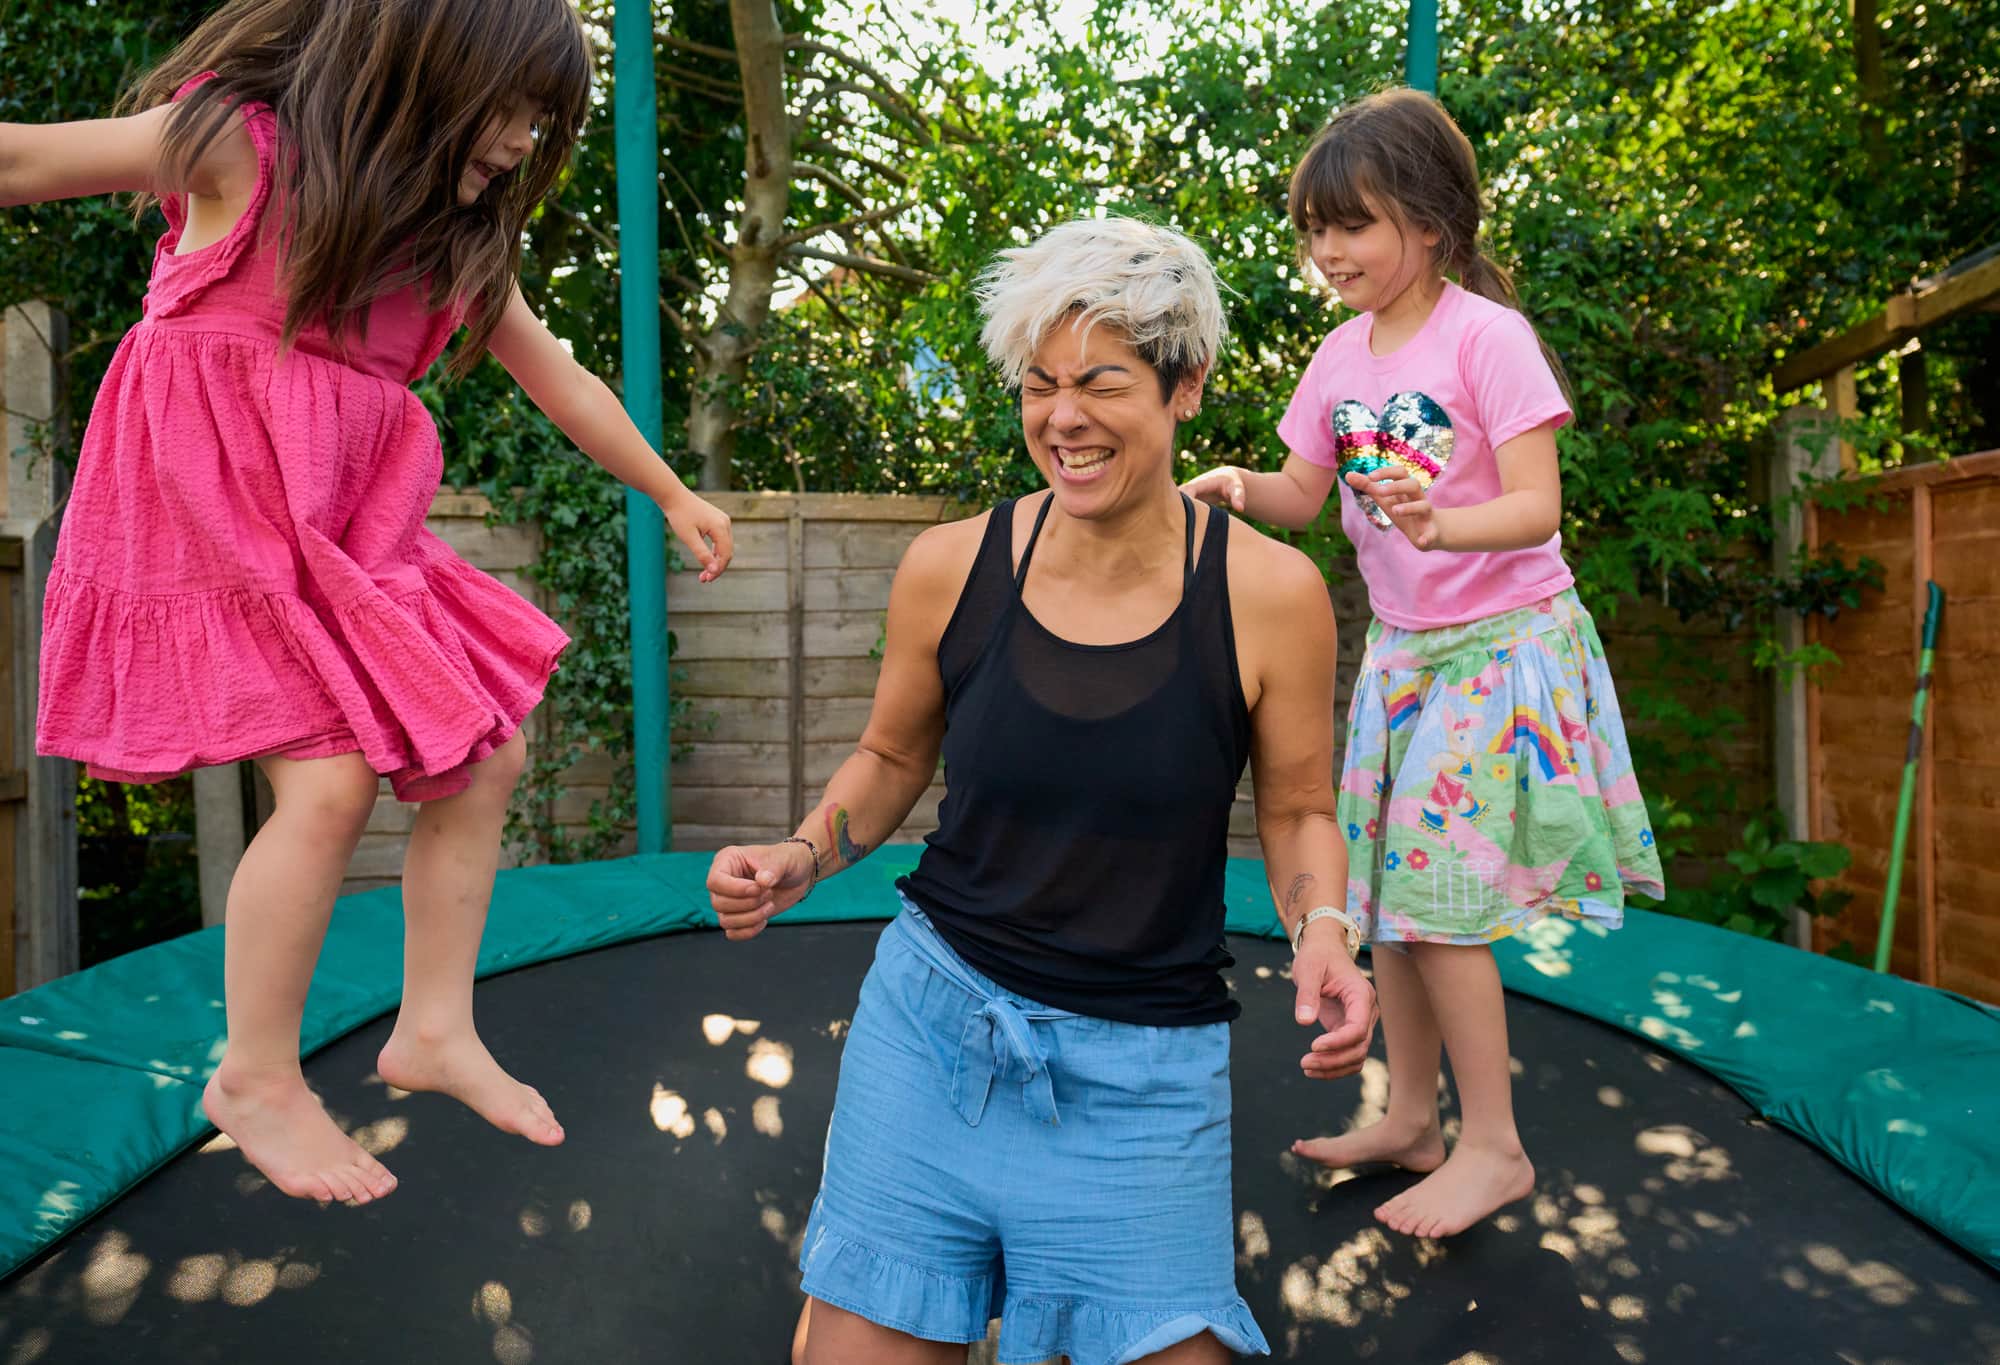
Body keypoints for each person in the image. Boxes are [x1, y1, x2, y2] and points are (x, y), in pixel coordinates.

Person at [1, 0, 733, 1207]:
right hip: (208, 519)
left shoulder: (449, 248)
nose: (519, 143)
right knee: (331, 782)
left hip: (343, 537)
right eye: (513, 109)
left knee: (485, 754)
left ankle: (433, 1030)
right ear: (429, 69)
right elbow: (31, 157)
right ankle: (255, 1076)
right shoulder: (242, 143)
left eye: (544, 124)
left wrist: (667, 492)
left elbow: (561, 378)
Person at [707, 217, 1376, 1365]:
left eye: (1101, 383)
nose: (1061, 418)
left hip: (1143, 1077)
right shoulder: (949, 564)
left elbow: (1301, 805)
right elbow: (890, 759)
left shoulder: (1271, 593)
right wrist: (803, 854)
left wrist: (1322, 928)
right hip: (933, 1037)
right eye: (1038, 385)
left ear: (1184, 388)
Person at [1184, 89, 1666, 1239]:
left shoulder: (1483, 337)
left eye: (1350, 225)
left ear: (1429, 223)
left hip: (1504, 652)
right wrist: (1232, 491)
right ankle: (1411, 1118)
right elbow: (1303, 496)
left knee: (1439, 901)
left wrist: (1442, 524)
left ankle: (1493, 1148)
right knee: (1390, 901)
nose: (1326, 251)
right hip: (1403, 658)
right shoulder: (1336, 355)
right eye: (1313, 229)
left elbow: (1539, 507)